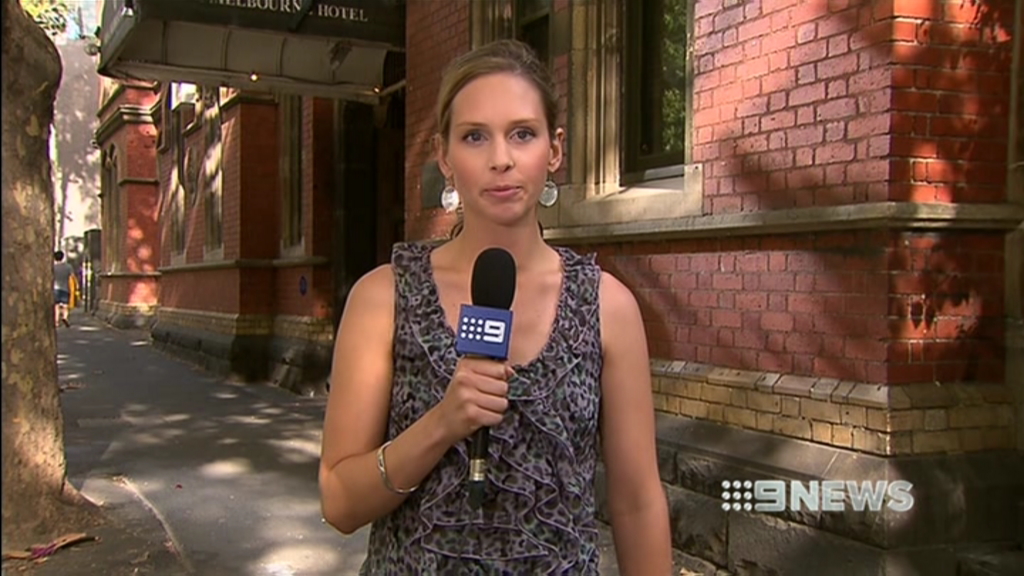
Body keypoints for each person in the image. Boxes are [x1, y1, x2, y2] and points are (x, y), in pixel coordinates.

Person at [319, 39, 672, 575]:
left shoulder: (607, 306)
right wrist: (442, 424)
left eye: (522, 134)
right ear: (444, 156)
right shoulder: (383, 298)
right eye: (475, 136)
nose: (501, 159)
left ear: (554, 150)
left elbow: (637, 503)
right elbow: (340, 503)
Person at [53, 250, 73, 328]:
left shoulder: (53, 267)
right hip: (65, 288)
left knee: (56, 306)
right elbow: (71, 276)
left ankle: (56, 321)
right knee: (65, 305)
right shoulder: (68, 267)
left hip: (55, 288)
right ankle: (65, 317)